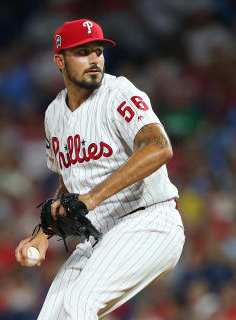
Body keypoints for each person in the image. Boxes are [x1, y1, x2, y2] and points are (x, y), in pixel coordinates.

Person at [14, 19, 185, 319]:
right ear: (60, 61)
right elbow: (70, 186)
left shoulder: (118, 94)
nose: (94, 59)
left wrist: (91, 198)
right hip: (100, 237)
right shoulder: (54, 114)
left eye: (98, 51)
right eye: (82, 52)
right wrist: (42, 234)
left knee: (78, 304)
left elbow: (159, 146)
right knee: (53, 316)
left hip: (148, 222)